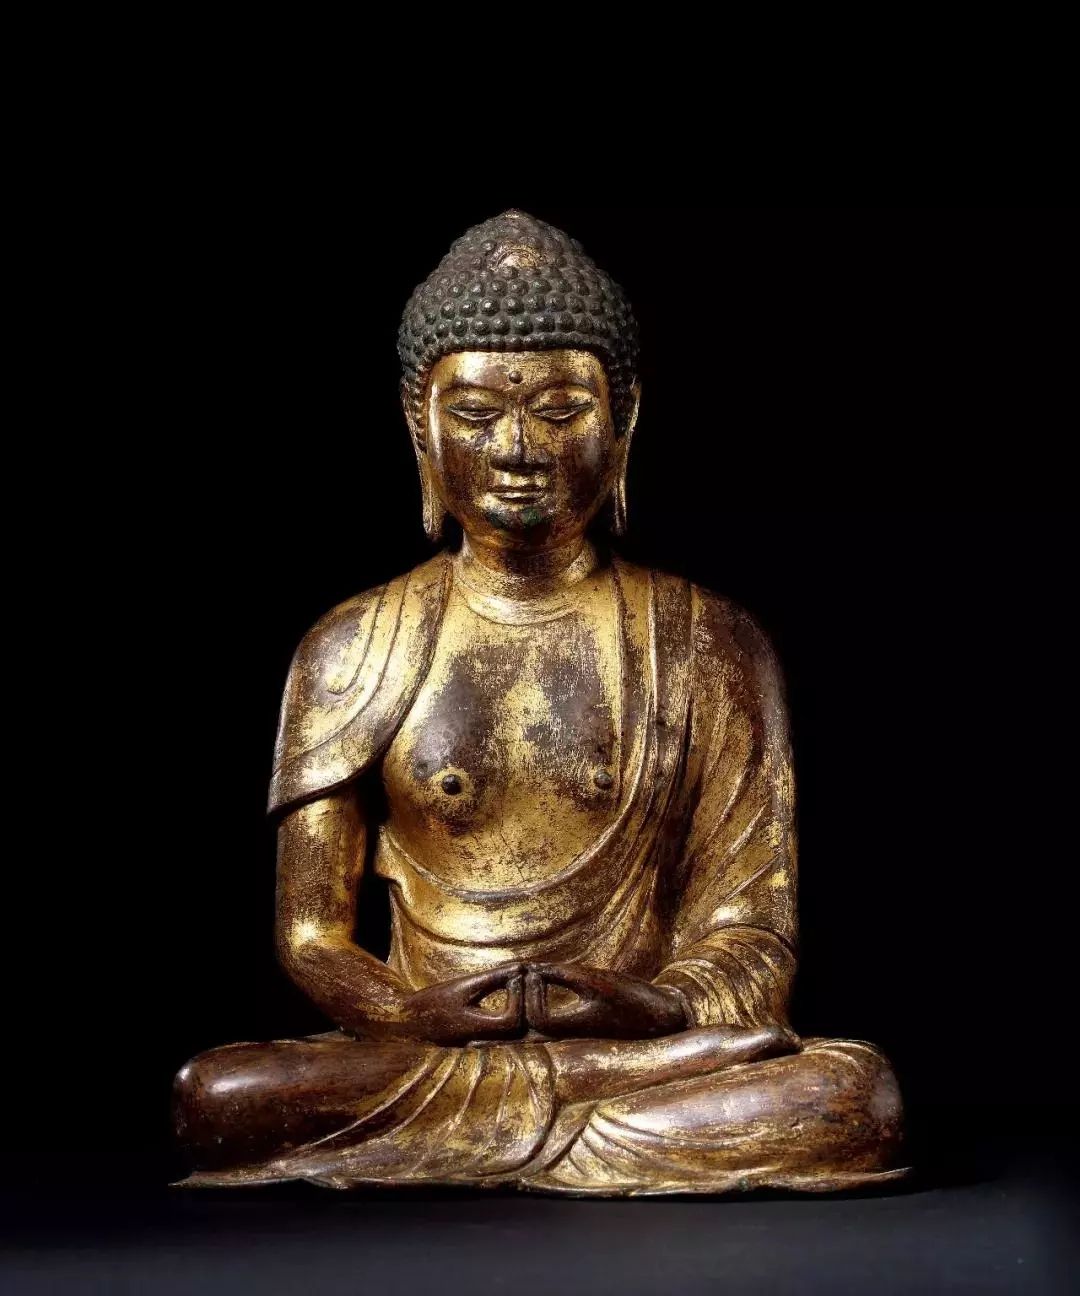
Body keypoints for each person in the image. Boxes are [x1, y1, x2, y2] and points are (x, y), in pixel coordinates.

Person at [173, 211, 904, 1194]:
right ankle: (571, 1127)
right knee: (218, 1096)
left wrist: (645, 1006)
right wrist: (409, 1014)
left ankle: (505, 1133)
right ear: (420, 424)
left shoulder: (712, 643)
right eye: (476, 414)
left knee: (848, 1094)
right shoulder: (349, 647)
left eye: (561, 409)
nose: (518, 448)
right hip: (437, 1053)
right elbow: (311, 935)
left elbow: (753, 933)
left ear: (624, 420)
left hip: (639, 1044)